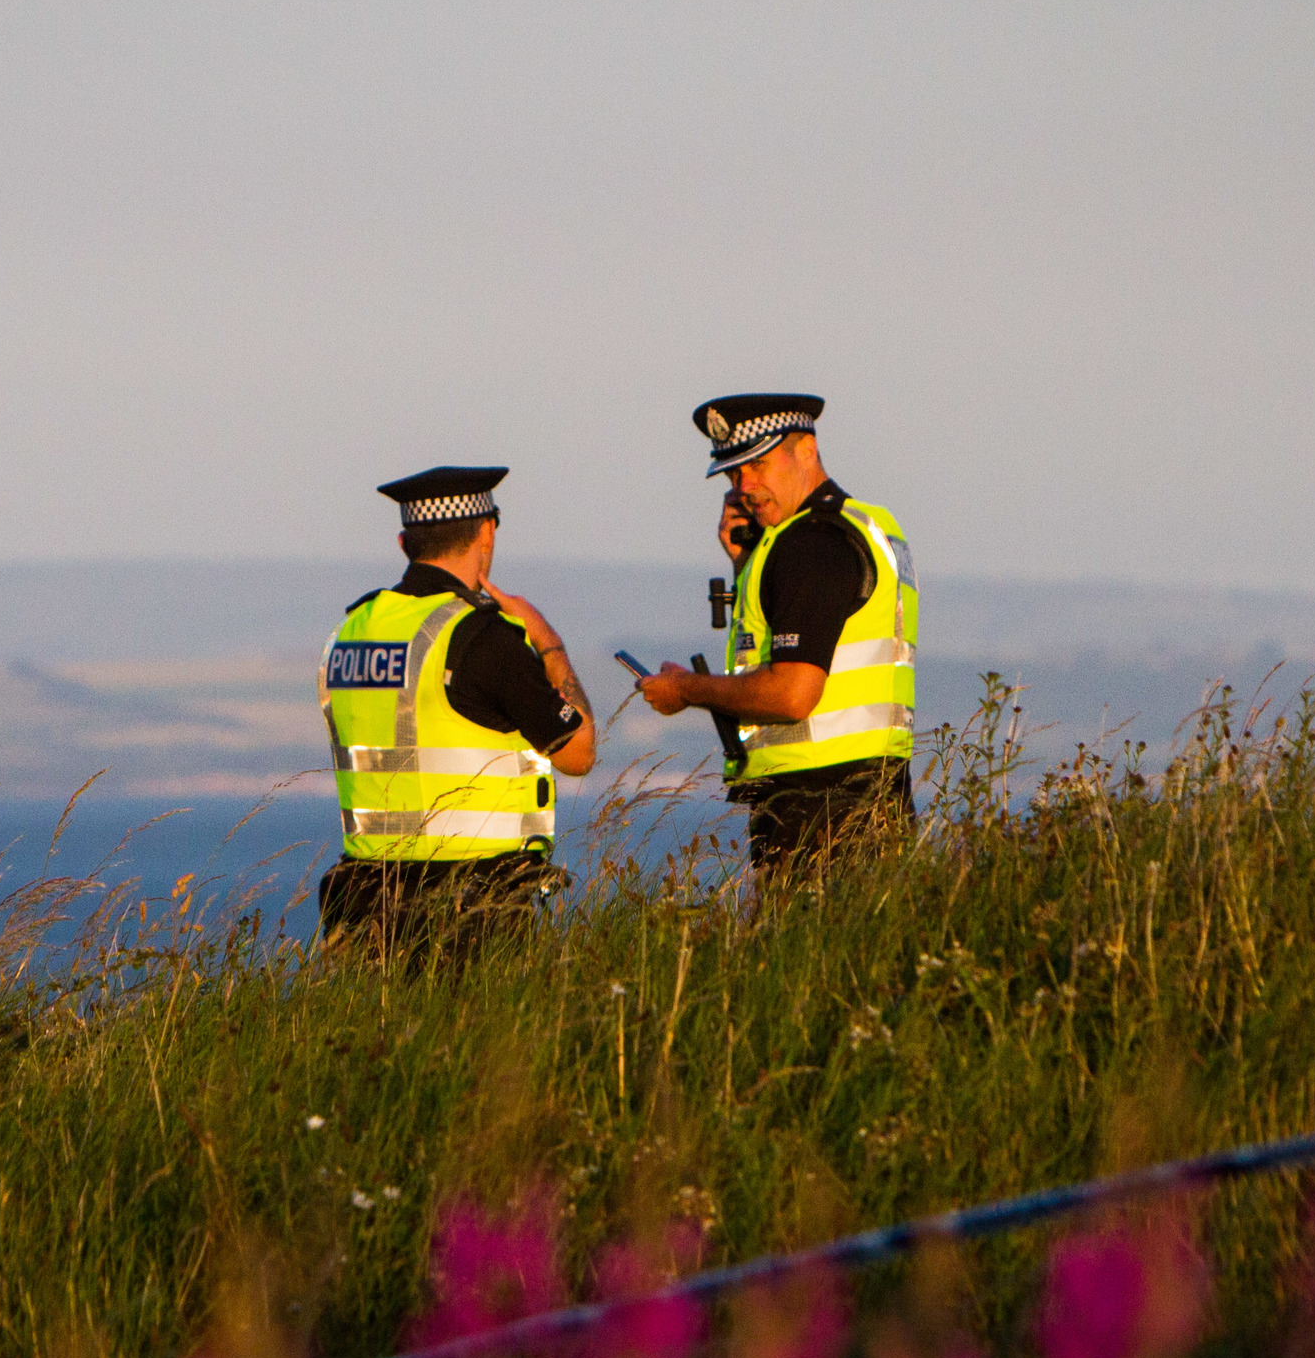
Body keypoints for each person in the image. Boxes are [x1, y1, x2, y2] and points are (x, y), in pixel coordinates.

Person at [317, 465, 599, 959]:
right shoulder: (483, 638)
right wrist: (546, 639)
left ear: (405, 543)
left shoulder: (352, 630)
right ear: (486, 531)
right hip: (469, 913)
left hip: (363, 905)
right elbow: (578, 752)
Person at [639, 393, 918, 875]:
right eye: (733, 474)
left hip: (818, 811)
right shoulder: (864, 526)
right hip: (877, 793)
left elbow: (792, 695)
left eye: (759, 465)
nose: (745, 486)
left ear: (806, 451)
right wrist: (747, 564)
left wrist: (687, 689)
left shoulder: (808, 545)